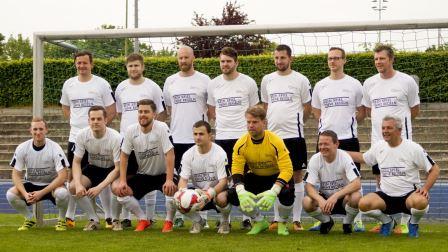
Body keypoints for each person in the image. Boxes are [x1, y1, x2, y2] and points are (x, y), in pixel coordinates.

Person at [349, 115, 439, 238]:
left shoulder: (413, 148)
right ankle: (387, 222)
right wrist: (338, 152)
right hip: (386, 197)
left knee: (421, 201)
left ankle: (413, 223)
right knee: (363, 204)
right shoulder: (379, 146)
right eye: (383, 128)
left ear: (399, 130)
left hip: (408, 196)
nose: (385, 131)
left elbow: (435, 169)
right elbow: (362, 158)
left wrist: (425, 188)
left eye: (389, 128)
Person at [362, 44, 420, 233]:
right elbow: (370, 111)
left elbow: (414, 110)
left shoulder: (406, 81)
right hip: (378, 142)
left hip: (400, 142)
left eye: (382, 59)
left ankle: (404, 222)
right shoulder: (369, 82)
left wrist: (396, 132)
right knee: (382, 180)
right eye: (376, 59)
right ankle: (387, 220)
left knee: (403, 178)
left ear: (391, 59)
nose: (378, 62)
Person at [311, 47, 366, 232]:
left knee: (353, 180)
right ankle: (323, 218)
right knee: (322, 177)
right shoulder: (320, 85)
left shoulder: (355, 84)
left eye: (336, 58)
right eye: (330, 59)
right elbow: (317, 111)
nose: (332, 62)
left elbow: (361, 111)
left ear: (344, 61)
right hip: (325, 139)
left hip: (348, 138)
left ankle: (356, 219)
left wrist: (346, 122)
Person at [60, 51, 116, 228]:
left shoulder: (101, 84)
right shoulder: (69, 84)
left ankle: (108, 216)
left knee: (102, 175)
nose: (82, 66)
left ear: (92, 64)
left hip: (98, 139)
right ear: (75, 64)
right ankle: (73, 215)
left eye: (85, 63)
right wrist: (77, 126)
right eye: (78, 63)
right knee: (74, 178)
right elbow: (66, 108)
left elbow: (111, 109)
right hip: (76, 138)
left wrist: (98, 130)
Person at [207, 47, 259, 230]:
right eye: (222, 61)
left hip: (243, 137)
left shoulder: (248, 83)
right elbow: (212, 111)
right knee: (224, 178)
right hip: (222, 137)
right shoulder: (213, 84)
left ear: (236, 62)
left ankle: (247, 218)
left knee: (244, 177)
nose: (225, 64)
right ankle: (225, 219)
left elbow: (255, 111)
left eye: (228, 61)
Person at [260, 44, 311, 232]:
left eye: (282, 57)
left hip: (294, 136)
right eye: (276, 58)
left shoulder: (301, 80)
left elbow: (307, 108)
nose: (279, 61)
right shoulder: (267, 80)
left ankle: (296, 220)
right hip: (273, 137)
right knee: (276, 177)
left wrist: (296, 123)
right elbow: (265, 106)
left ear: (290, 58)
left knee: (297, 177)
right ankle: (276, 218)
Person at [115, 53, 166, 228]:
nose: (133, 69)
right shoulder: (121, 87)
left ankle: (150, 217)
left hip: (149, 140)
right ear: (127, 68)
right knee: (126, 180)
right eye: (130, 66)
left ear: (142, 67)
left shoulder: (153, 87)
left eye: (136, 65)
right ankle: (127, 217)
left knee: (150, 176)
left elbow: (160, 113)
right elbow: (121, 113)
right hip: (128, 141)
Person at [163, 46, 211, 228]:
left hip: (199, 138)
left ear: (193, 58)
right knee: (179, 180)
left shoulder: (205, 80)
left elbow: (210, 108)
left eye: (186, 57)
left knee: (202, 179)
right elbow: (168, 108)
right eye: (180, 58)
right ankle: (179, 216)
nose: (183, 61)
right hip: (177, 137)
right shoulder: (170, 81)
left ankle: (203, 218)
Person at [227, 106, 294, 236]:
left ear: (264, 122)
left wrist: (274, 190)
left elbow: (287, 169)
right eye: (248, 122)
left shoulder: (276, 141)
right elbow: (236, 169)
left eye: (255, 122)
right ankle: (259, 221)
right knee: (232, 196)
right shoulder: (240, 144)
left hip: (276, 176)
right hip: (256, 176)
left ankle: (282, 223)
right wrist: (240, 191)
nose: (251, 125)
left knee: (287, 194)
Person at [111, 99, 177, 232]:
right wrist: (123, 181)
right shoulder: (130, 130)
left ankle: (169, 221)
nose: (142, 114)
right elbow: (124, 156)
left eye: (146, 111)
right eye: (140, 111)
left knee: (174, 192)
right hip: (144, 175)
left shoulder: (162, 128)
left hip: (163, 174)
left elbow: (170, 154)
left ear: (154, 114)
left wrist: (169, 179)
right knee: (121, 194)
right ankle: (143, 219)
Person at [6, 118, 69, 231]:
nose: (38, 132)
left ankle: (61, 220)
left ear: (46, 130)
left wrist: (41, 193)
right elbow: (15, 175)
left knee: (63, 193)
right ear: (30, 130)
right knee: (10, 194)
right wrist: (25, 194)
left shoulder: (55, 148)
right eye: (35, 129)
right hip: (32, 184)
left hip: (51, 185)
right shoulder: (22, 148)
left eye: (41, 129)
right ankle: (29, 218)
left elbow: (63, 176)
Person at [69, 106, 121, 231]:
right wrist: (78, 184)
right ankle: (94, 220)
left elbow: (118, 168)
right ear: (88, 121)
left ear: (106, 120)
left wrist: (99, 187)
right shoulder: (82, 135)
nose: (95, 121)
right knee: (73, 187)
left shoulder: (115, 137)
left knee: (117, 188)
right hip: (94, 167)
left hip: (112, 168)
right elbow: (76, 162)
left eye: (99, 119)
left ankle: (116, 220)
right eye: (92, 119)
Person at [175, 121, 231, 234]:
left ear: (210, 135)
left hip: (217, 191)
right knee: (178, 200)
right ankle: (198, 221)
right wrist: (182, 192)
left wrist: (209, 194)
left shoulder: (220, 153)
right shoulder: (188, 155)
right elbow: (183, 180)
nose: (198, 137)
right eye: (195, 134)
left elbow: (224, 181)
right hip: (199, 193)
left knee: (222, 198)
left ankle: (224, 222)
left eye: (201, 134)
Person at [303, 130, 362, 234]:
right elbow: (308, 186)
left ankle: (347, 223)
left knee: (356, 197)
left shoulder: (344, 157)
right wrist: (320, 199)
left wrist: (335, 196)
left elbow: (357, 183)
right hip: (325, 200)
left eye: (326, 144)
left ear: (336, 144)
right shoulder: (315, 159)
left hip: (344, 199)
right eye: (320, 144)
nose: (322, 147)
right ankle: (327, 222)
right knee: (307, 202)